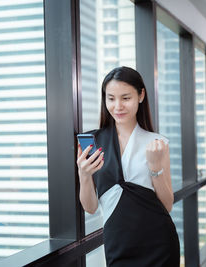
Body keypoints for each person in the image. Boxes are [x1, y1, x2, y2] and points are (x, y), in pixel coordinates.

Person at [77, 66, 180, 266]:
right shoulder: (93, 141)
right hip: (118, 244)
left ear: (141, 95)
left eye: (126, 98)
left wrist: (155, 166)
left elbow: (166, 205)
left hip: (159, 243)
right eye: (111, 98)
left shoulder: (157, 143)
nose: (118, 106)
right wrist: (83, 174)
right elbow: (90, 207)